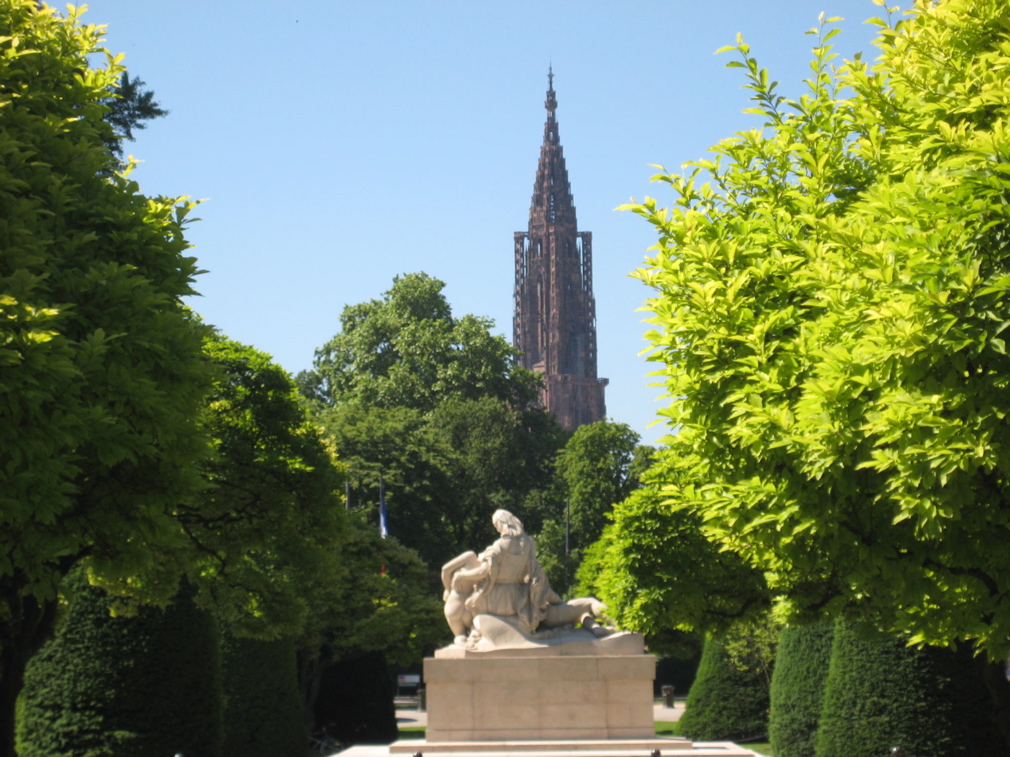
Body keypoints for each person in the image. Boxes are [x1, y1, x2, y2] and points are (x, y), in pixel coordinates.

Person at [442, 510, 609, 644]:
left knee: (464, 607)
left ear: (502, 524)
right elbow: (535, 573)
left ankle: (467, 634)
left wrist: (463, 575)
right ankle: (613, 621)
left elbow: (484, 572)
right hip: (518, 600)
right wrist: (552, 598)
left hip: (494, 600)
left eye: (496, 525)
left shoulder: (499, 546)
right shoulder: (528, 543)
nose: (497, 529)